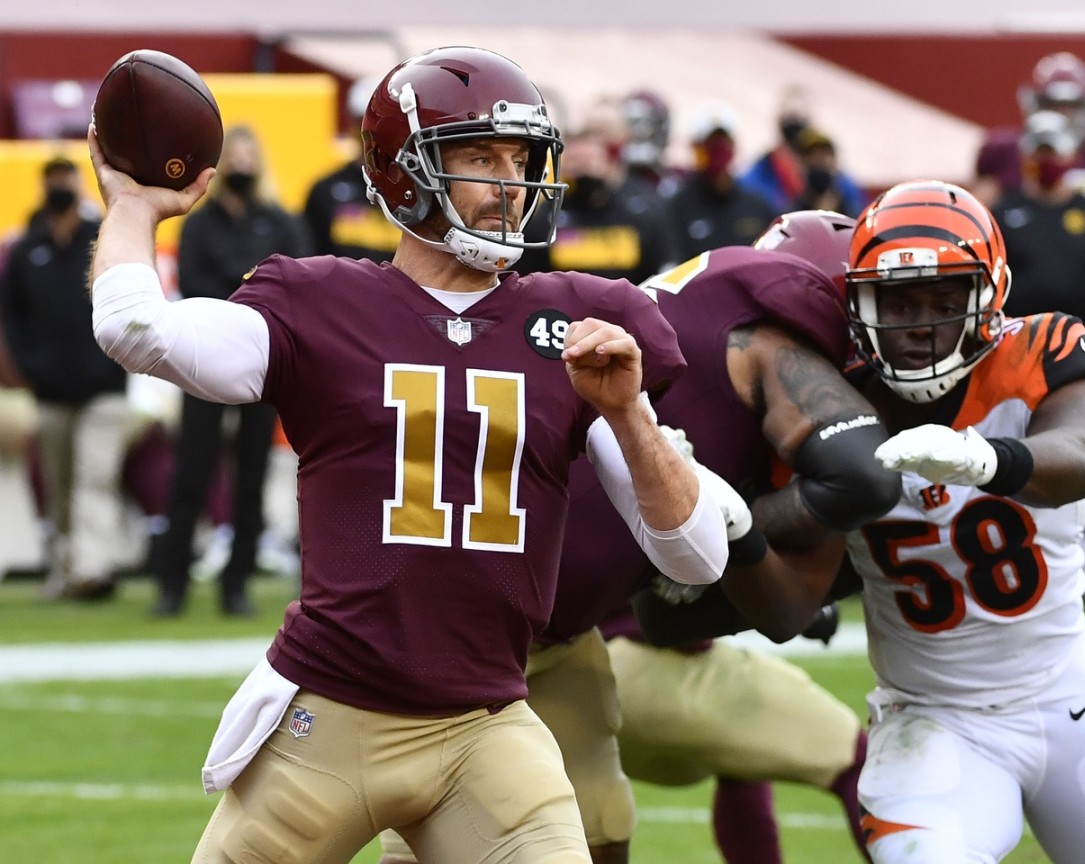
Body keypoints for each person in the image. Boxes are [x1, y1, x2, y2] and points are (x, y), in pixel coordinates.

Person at [88, 45, 729, 864]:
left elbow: (700, 556)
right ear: (404, 174)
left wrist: (630, 415)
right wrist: (137, 207)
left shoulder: (579, 323)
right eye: (479, 157)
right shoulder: (321, 301)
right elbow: (136, 329)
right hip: (331, 719)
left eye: (521, 160)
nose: (509, 184)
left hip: (486, 725)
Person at [379, 210, 900, 864]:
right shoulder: (767, 345)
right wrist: (742, 525)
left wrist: (738, 535)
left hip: (561, 637)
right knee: (359, 824)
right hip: (471, 629)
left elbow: (701, 609)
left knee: (599, 821)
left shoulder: (715, 348)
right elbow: (865, 479)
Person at [840, 180, 1085, 862]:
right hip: (932, 720)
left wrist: (981, 458)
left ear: (988, 297)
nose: (917, 324)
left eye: (944, 301)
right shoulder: (836, 398)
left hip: (1067, 698)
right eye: (898, 300)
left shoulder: (1039, 349)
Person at [152, 124, 312, 618]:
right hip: (206, 355)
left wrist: (241, 292)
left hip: (263, 362)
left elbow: (296, 281)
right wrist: (249, 288)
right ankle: (172, 584)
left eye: (249, 154)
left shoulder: (279, 220)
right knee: (191, 471)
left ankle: (235, 583)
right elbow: (194, 282)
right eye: (233, 155)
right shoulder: (201, 223)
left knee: (252, 476)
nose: (242, 164)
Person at [992, 110, 1085, 600]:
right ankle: (1020, 570)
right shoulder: (1005, 212)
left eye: (1055, 152)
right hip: (1017, 358)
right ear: (1028, 156)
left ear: (1071, 156)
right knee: (1020, 458)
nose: (1048, 160)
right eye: (1040, 152)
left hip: (1080, 357)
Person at [0, 156, 129, 601]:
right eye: (52, 180)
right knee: (59, 484)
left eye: (65, 179)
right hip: (50, 390)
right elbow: (11, 317)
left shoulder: (102, 239)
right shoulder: (27, 248)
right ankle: (65, 568)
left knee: (95, 476)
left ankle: (92, 569)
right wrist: (26, 365)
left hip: (103, 385)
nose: (60, 187)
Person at [516, 102, 679, 284]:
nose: (584, 170)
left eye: (590, 162)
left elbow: (660, 274)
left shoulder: (640, 212)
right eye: (576, 163)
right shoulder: (545, 217)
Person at [973, 51, 1085, 209]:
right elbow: (980, 210)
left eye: (1072, 107)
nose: (1063, 116)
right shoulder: (1004, 151)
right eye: (1052, 106)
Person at [666, 102, 778, 261]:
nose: (718, 150)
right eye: (710, 144)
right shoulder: (677, 207)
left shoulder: (757, 206)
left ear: (734, 145)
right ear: (695, 147)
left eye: (723, 142)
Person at [302, 76, 396, 262]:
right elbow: (310, 257)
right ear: (353, 125)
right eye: (366, 122)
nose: (375, 132)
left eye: (384, 124)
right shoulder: (324, 190)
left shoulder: (418, 189)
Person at [741, 84, 866, 216]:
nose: (818, 163)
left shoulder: (843, 186)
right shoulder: (759, 175)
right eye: (811, 156)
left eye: (824, 156)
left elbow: (859, 215)